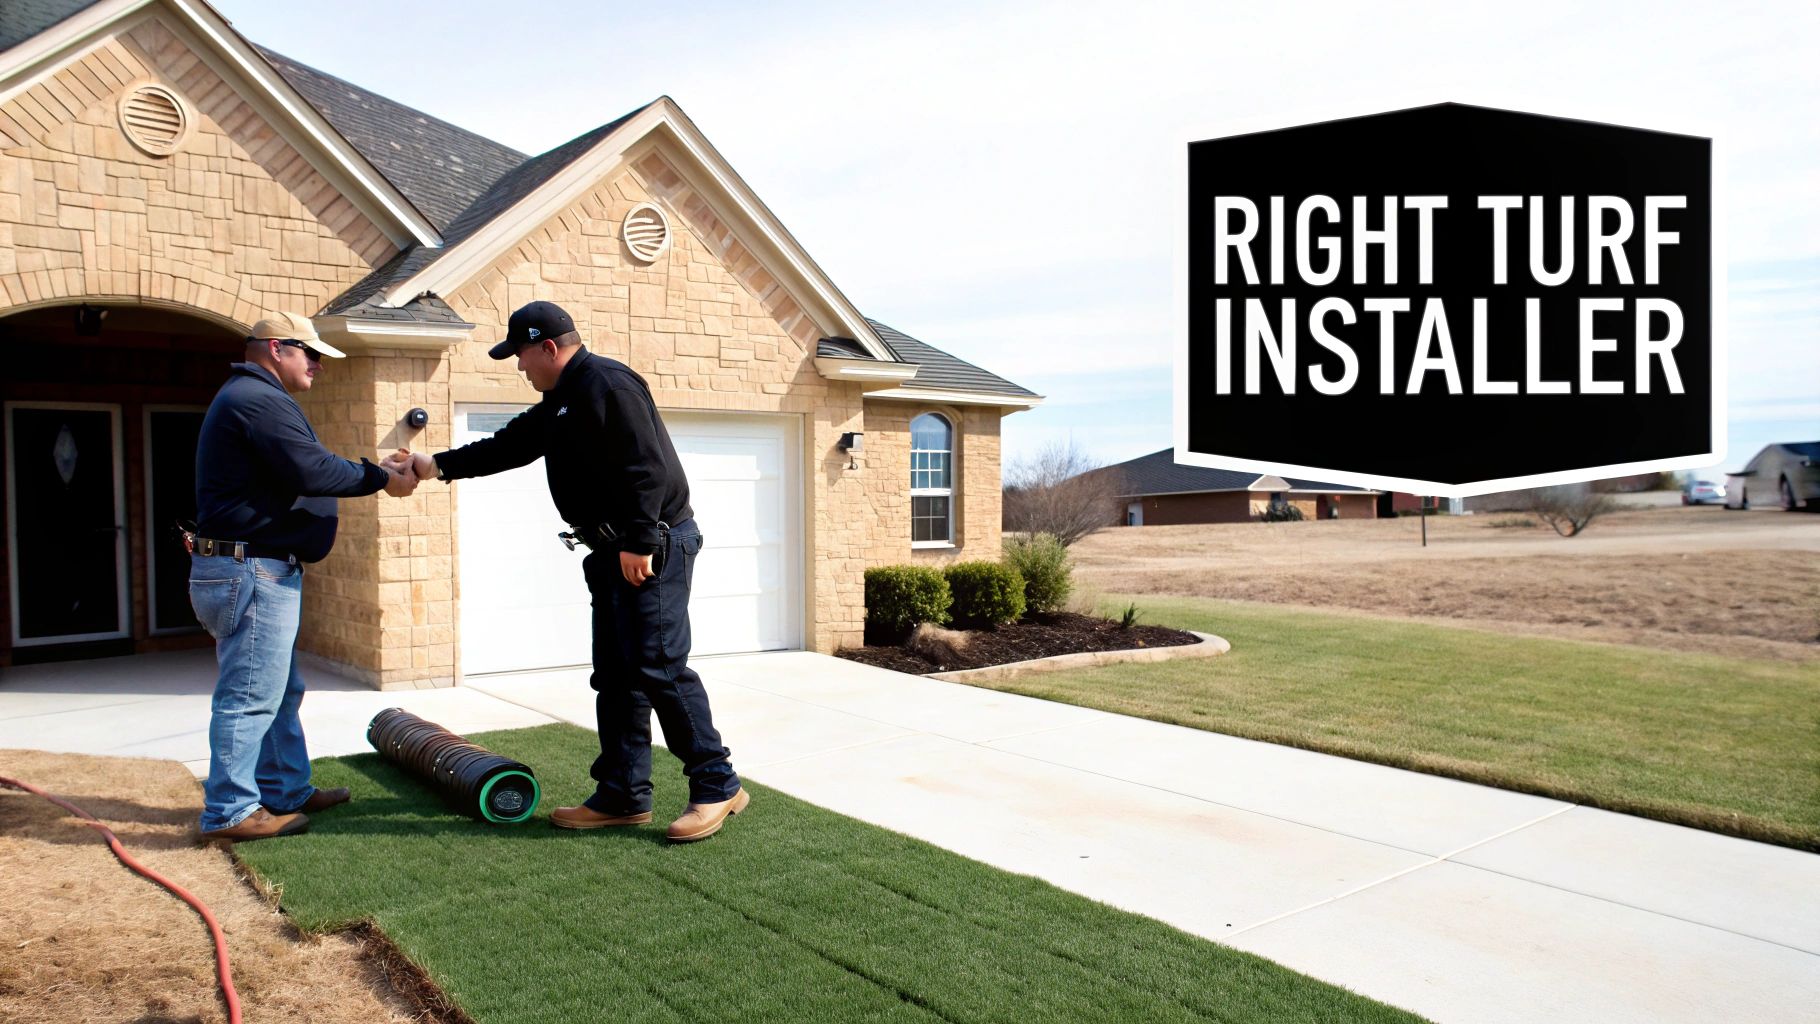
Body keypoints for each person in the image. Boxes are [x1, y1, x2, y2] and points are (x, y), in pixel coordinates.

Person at [407, 301, 747, 842]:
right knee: (615, 675)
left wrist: (638, 540)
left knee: (659, 665)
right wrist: (436, 466)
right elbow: (510, 445)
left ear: (548, 347)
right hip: (610, 552)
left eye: (521, 355)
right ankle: (622, 795)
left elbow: (647, 467)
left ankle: (717, 784)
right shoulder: (560, 399)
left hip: (651, 545)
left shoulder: (608, 384)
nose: (519, 367)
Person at [191, 312, 418, 842]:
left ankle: (284, 789)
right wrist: (382, 477)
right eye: (309, 353)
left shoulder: (252, 398)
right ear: (275, 349)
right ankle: (229, 811)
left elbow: (307, 466)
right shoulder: (258, 400)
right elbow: (313, 470)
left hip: (249, 566)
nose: (317, 363)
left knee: (278, 688)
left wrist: (372, 470)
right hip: (249, 570)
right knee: (250, 695)